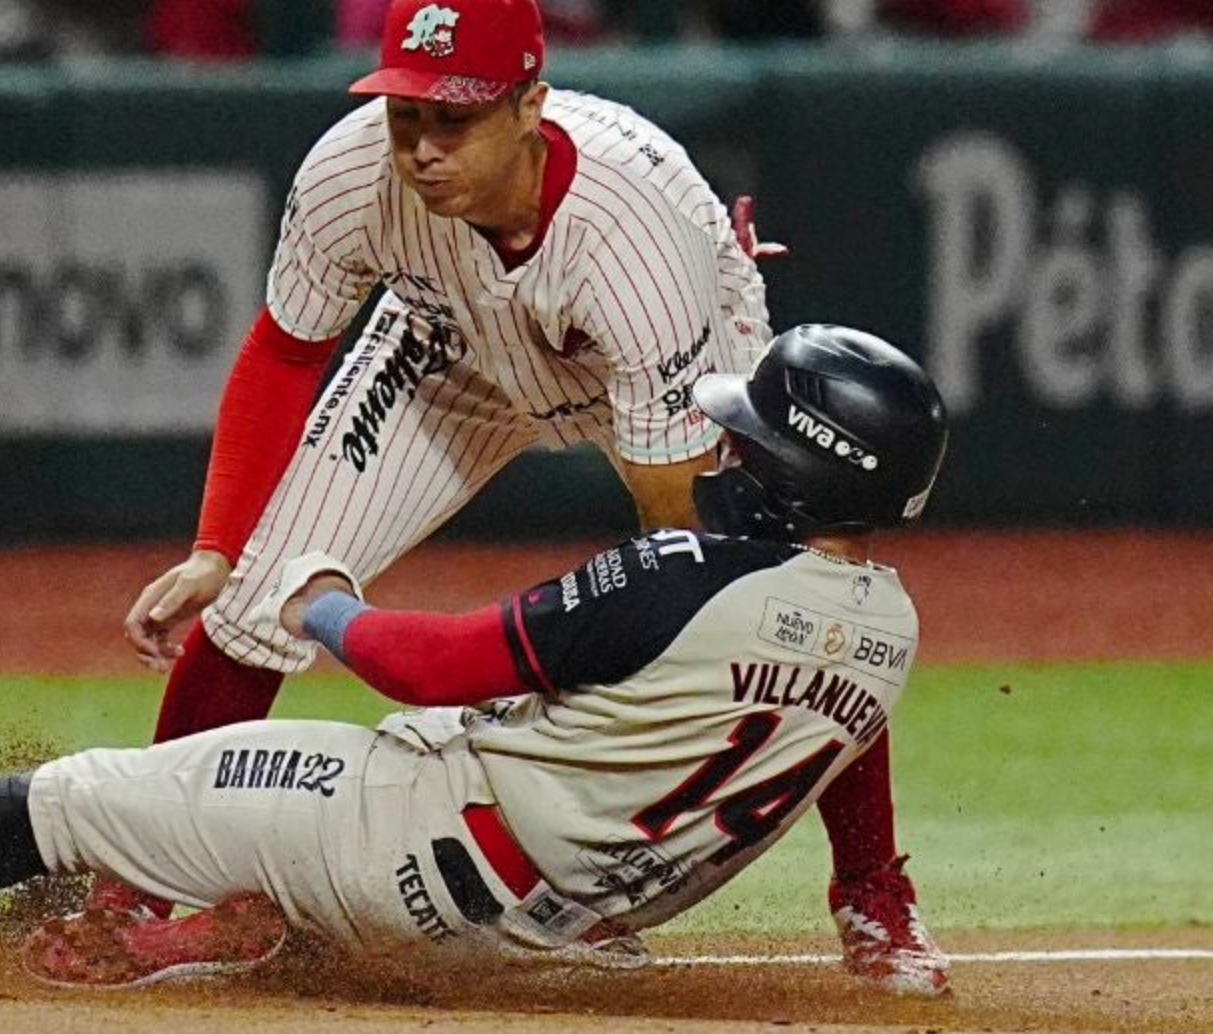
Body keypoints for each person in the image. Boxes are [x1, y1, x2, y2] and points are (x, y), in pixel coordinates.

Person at [0, 325, 951, 996]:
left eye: (742, 436)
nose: (715, 448)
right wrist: (872, 890)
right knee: (362, 801)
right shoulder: (885, 627)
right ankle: (222, 930)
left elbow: (432, 663)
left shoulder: (678, 582)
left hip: (414, 845)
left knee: (65, 796)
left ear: (781, 471)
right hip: (559, 930)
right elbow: (804, 706)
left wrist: (316, 602)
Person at [106, 0, 942, 996]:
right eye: (403, 114)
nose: (420, 146)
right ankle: (135, 885)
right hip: (448, 347)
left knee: (784, 609)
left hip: (653, 356)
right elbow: (287, 348)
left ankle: (871, 893)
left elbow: (693, 580)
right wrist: (215, 543)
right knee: (247, 604)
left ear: (528, 106)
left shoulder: (630, 245)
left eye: (451, 119)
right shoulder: (350, 174)